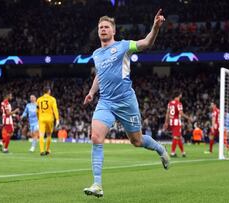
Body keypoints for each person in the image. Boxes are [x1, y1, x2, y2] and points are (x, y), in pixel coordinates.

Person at [83, 9, 169, 198]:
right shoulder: (96, 53)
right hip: (105, 102)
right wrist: (91, 92)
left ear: (113, 31)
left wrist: (155, 27)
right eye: (100, 27)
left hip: (126, 101)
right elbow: (100, 74)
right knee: (96, 137)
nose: (103, 29)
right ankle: (97, 184)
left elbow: (146, 43)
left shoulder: (123, 46)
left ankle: (160, 149)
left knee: (136, 141)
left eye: (106, 27)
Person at [163, 91, 191, 157]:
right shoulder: (179, 104)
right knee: (176, 137)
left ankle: (183, 152)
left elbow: (167, 113)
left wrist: (166, 122)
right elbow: (181, 113)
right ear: (179, 95)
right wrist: (188, 118)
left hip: (171, 122)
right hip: (176, 122)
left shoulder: (170, 103)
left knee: (178, 137)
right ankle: (172, 153)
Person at [37, 86, 60, 156]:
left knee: (41, 134)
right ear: (49, 91)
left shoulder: (39, 99)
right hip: (50, 119)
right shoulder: (52, 99)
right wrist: (57, 119)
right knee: (49, 134)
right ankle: (47, 150)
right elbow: (55, 109)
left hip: (41, 118)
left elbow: (37, 111)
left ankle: (41, 150)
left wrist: (39, 117)